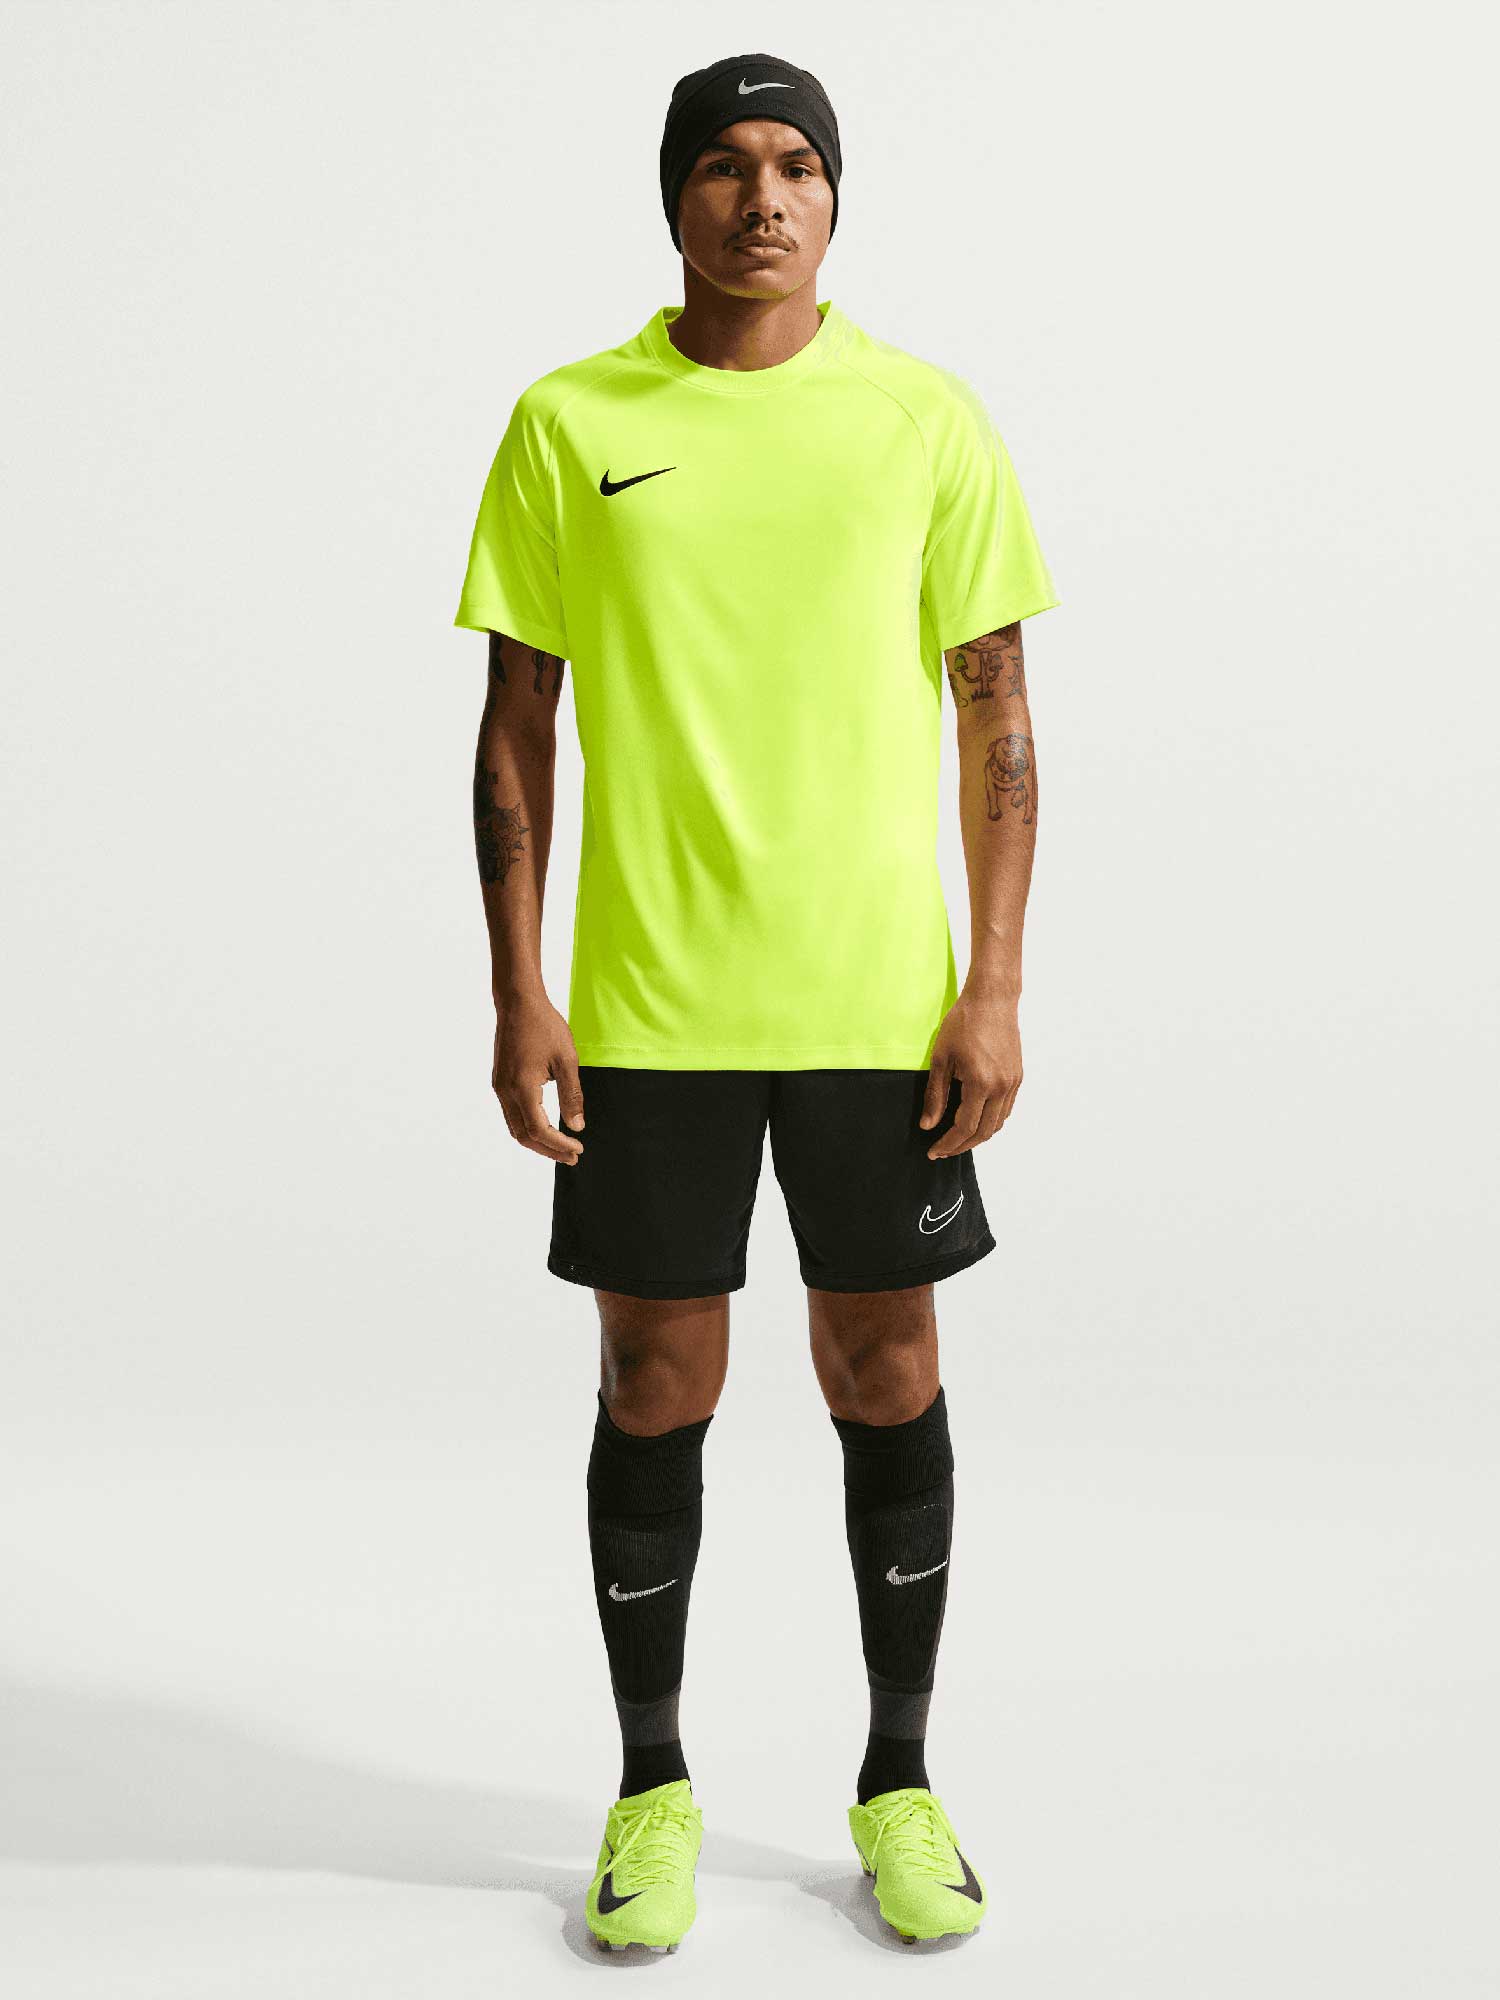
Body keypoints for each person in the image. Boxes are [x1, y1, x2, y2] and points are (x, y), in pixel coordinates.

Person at [454, 50, 1059, 1953]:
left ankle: (899, 1782)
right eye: (723, 165)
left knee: (889, 1372)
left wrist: (996, 984)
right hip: (649, 1006)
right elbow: (516, 729)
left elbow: (999, 718)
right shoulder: (569, 420)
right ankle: (652, 1791)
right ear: (676, 199)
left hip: (881, 1003)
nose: (765, 195)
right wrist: (518, 989)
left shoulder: (923, 417)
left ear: (836, 196)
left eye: (799, 163)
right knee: (656, 1384)